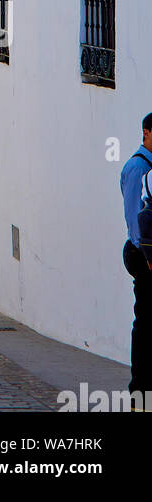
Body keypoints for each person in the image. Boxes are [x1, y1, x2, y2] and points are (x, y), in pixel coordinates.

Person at [120, 112, 152, 405]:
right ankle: (140, 390)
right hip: (142, 253)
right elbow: (134, 218)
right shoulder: (138, 167)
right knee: (144, 323)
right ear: (147, 132)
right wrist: (146, 254)